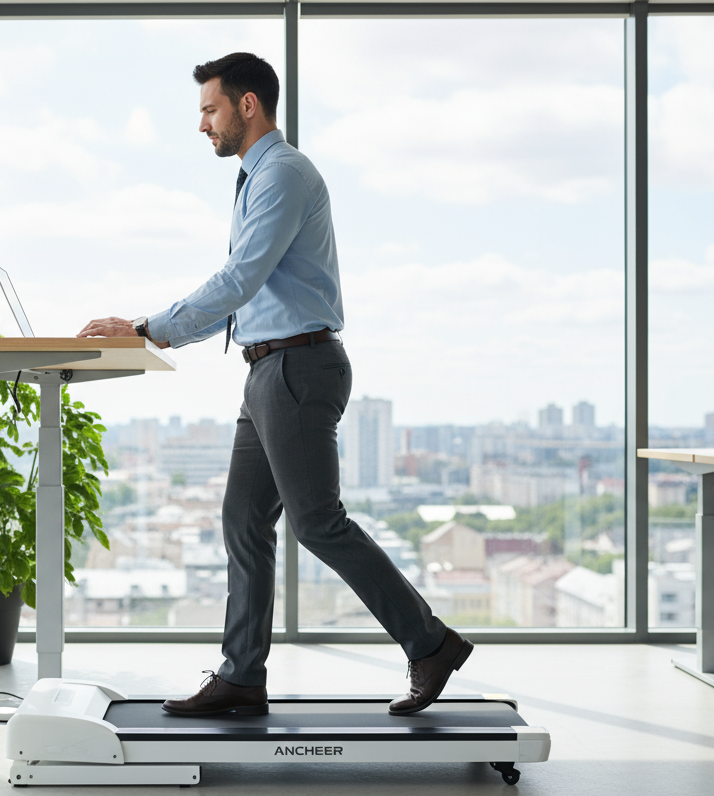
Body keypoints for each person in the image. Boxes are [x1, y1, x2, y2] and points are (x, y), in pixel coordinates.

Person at [77, 52, 472, 717]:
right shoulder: (256, 180)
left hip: (297, 368)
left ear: (248, 105)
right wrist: (153, 331)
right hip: (268, 371)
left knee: (317, 522)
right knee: (243, 520)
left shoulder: (282, 173)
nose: (203, 125)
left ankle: (430, 643)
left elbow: (239, 279)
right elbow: (242, 293)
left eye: (210, 109)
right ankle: (242, 676)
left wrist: (146, 326)